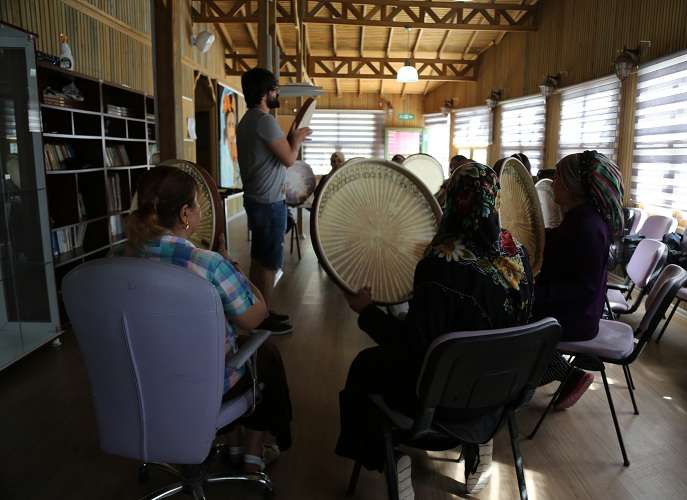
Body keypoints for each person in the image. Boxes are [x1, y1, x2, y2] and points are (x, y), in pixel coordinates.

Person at [335, 163, 533, 495]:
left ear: (453, 201)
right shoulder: (518, 255)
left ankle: (388, 458)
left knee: (364, 367)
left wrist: (367, 312)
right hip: (502, 393)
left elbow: (414, 348)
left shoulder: (442, 264)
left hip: (444, 400)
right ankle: (479, 441)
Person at [125, 166, 294, 474]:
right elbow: (256, 316)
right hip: (201, 384)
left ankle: (233, 444)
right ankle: (253, 454)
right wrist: (237, 271)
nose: (201, 209)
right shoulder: (208, 264)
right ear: (186, 214)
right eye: (197, 203)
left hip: (140, 382)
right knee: (263, 353)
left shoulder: (125, 260)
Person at [533, 150, 625, 409]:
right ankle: (555, 374)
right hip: (581, 310)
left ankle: (526, 382)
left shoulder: (586, 226)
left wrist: (531, 295)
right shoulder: (582, 219)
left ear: (575, 187)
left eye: (559, 179)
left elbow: (581, 290)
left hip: (576, 317)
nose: (553, 185)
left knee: (509, 315)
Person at [237, 67, 312, 335]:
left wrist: (291, 137)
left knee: (259, 260)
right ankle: (262, 318)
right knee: (269, 264)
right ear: (265, 93)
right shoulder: (264, 121)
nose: (277, 93)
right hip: (269, 203)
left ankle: (259, 311)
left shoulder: (247, 120)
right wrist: (299, 138)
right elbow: (290, 159)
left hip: (256, 200)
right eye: (274, 89)